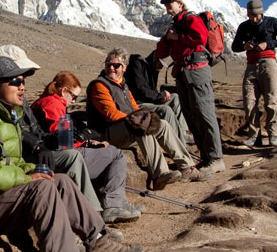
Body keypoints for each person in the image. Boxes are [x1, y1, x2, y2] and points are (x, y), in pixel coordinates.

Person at [0, 57, 143, 252]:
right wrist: (27, 178)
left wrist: (35, 170)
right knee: (42, 187)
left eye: (23, 81)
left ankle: (99, 240)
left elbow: (12, 163)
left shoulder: (6, 118)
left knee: (58, 179)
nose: (22, 86)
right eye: (14, 81)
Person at [0, 45, 133, 223]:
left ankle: (94, 217)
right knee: (71, 157)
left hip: (22, 152)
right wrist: (38, 145)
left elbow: (30, 128)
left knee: (97, 155)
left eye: (23, 78)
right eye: (17, 77)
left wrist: (46, 141)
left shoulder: (8, 90)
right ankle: (92, 218)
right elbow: (8, 130)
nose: (22, 83)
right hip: (14, 158)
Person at [31, 71, 145, 223]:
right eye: (74, 96)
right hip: (61, 155)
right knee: (115, 154)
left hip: (57, 152)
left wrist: (85, 141)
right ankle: (113, 205)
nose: (73, 101)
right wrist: (84, 139)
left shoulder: (49, 101)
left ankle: (118, 202)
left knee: (111, 151)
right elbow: (61, 139)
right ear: (63, 90)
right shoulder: (52, 103)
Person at [86, 48, 207, 190]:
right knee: (140, 127)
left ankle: (187, 167)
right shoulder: (99, 85)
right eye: (108, 65)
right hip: (105, 133)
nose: (111, 68)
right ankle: (160, 174)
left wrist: (143, 117)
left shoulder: (123, 84)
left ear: (124, 68)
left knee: (162, 124)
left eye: (116, 65)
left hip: (124, 126)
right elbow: (111, 114)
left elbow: (135, 107)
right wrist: (137, 119)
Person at [156, 0, 224, 174]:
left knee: (204, 112)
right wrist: (169, 37)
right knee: (191, 115)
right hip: (182, 72)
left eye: (170, 3)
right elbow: (163, 52)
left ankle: (216, 158)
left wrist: (178, 37)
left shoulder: (191, 19)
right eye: (165, 4)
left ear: (180, 4)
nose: (167, 6)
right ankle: (206, 157)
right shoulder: (175, 25)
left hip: (196, 69)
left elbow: (200, 38)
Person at [230, 0, 277, 147]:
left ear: (261, 12)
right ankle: (254, 135)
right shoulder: (244, 27)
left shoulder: (272, 23)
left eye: (256, 15)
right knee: (249, 102)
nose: (254, 18)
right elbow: (234, 47)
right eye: (251, 15)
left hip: (268, 63)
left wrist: (268, 44)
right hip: (251, 65)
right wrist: (245, 46)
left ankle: (273, 134)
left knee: (271, 101)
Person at [124, 51, 193, 145]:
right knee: (166, 110)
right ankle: (179, 143)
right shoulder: (137, 64)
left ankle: (182, 133)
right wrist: (160, 96)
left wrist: (160, 97)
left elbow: (151, 90)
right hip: (137, 103)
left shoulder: (153, 70)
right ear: (154, 59)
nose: (160, 67)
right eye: (160, 64)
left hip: (149, 101)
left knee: (175, 98)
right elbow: (141, 89)